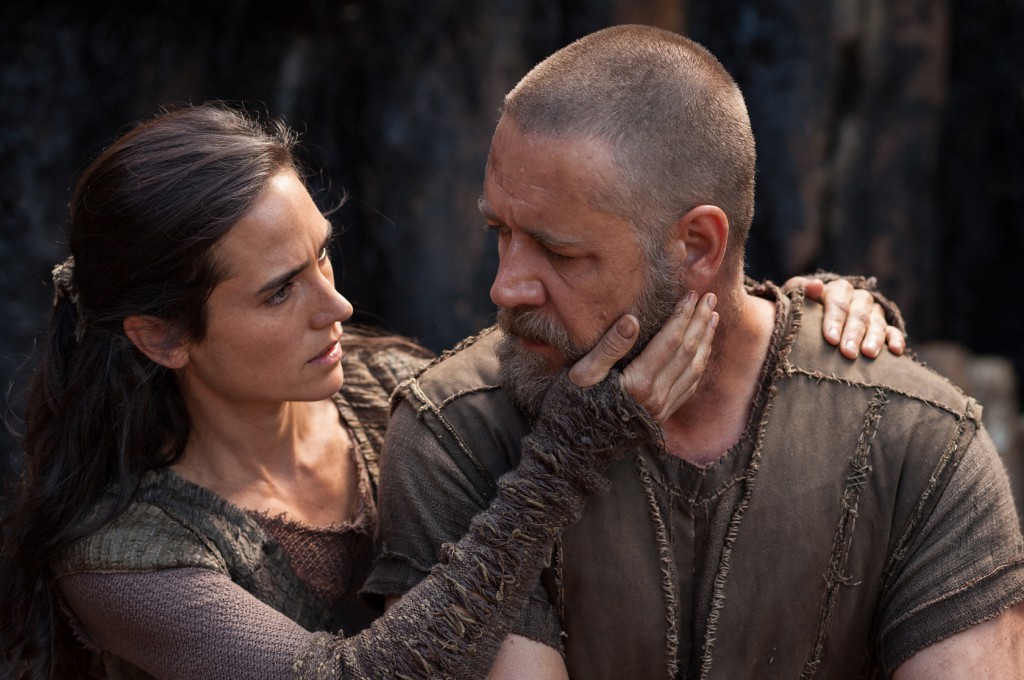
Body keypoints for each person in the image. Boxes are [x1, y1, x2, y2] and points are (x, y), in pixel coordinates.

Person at [0, 103, 894, 679]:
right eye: (281, 290)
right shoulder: (125, 559)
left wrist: (777, 318)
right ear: (160, 336)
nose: (337, 304)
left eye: (322, 253)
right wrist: (560, 465)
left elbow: (590, 348)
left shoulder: (389, 387)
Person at [365, 25, 1024, 679]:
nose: (503, 286)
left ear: (699, 246)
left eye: (561, 253)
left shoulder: (916, 440)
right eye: (498, 231)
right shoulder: (455, 430)